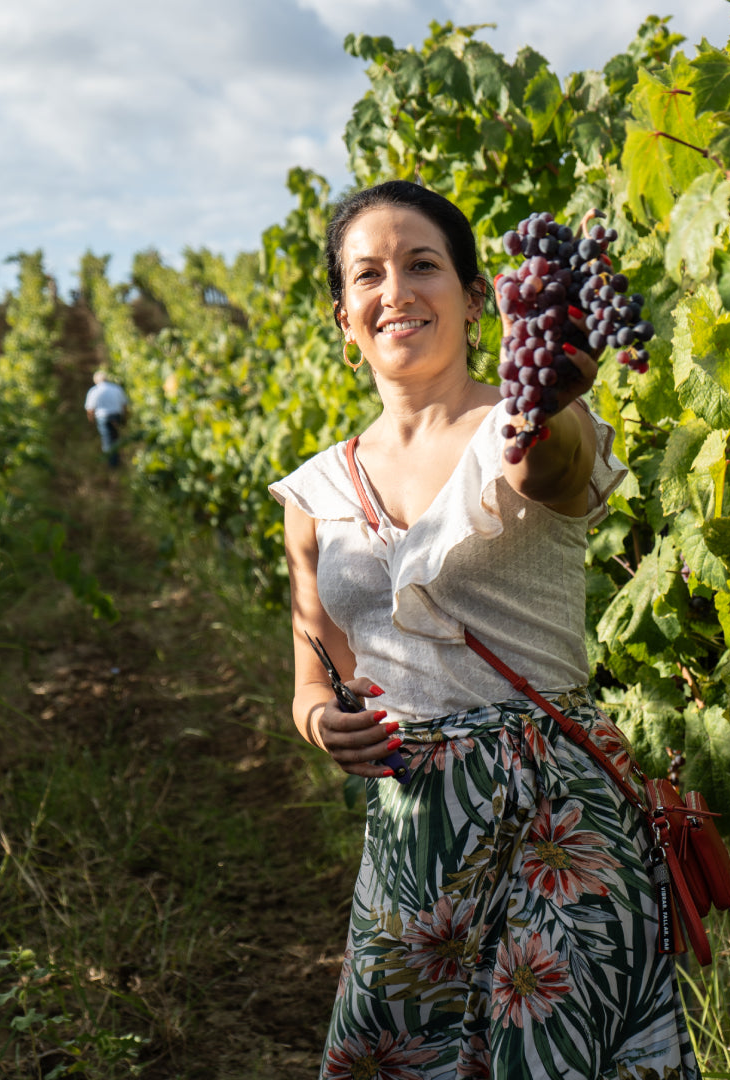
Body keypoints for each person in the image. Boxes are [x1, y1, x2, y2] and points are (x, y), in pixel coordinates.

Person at [268, 180, 700, 1080]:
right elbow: (316, 675)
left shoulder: (528, 421)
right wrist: (322, 725)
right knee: (404, 1057)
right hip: (414, 829)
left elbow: (557, 469)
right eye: (368, 275)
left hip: (561, 818)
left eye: (423, 265)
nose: (396, 291)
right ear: (342, 317)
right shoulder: (315, 497)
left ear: (474, 297)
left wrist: (550, 403)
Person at [84, 369, 129, 467]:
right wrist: (125, 418)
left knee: (107, 440)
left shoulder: (94, 391)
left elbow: (90, 409)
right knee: (115, 438)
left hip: (102, 418)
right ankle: (116, 461)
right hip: (116, 416)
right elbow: (124, 405)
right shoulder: (116, 388)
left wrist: (91, 421)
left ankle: (112, 464)